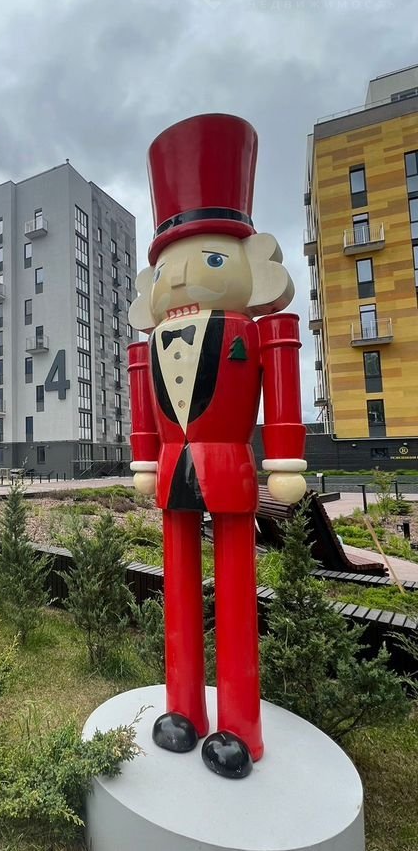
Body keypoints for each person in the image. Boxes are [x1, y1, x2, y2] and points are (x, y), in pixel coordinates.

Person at [127, 114, 306, 778]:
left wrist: (285, 459)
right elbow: (143, 410)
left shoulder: (259, 330)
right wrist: (144, 460)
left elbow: (283, 391)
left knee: (235, 595)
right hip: (174, 467)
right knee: (176, 593)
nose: (179, 279)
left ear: (250, 267)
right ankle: (182, 709)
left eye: (207, 260)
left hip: (229, 465)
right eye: (167, 267)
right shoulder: (146, 345)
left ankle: (238, 726)